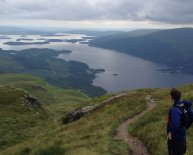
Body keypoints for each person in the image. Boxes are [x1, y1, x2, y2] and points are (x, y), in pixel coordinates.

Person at [167, 88, 186, 155]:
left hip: (175, 141)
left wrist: (170, 137)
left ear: (172, 97)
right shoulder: (183, 107)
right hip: (182, 138)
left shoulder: (174, 110)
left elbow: (175, 126)